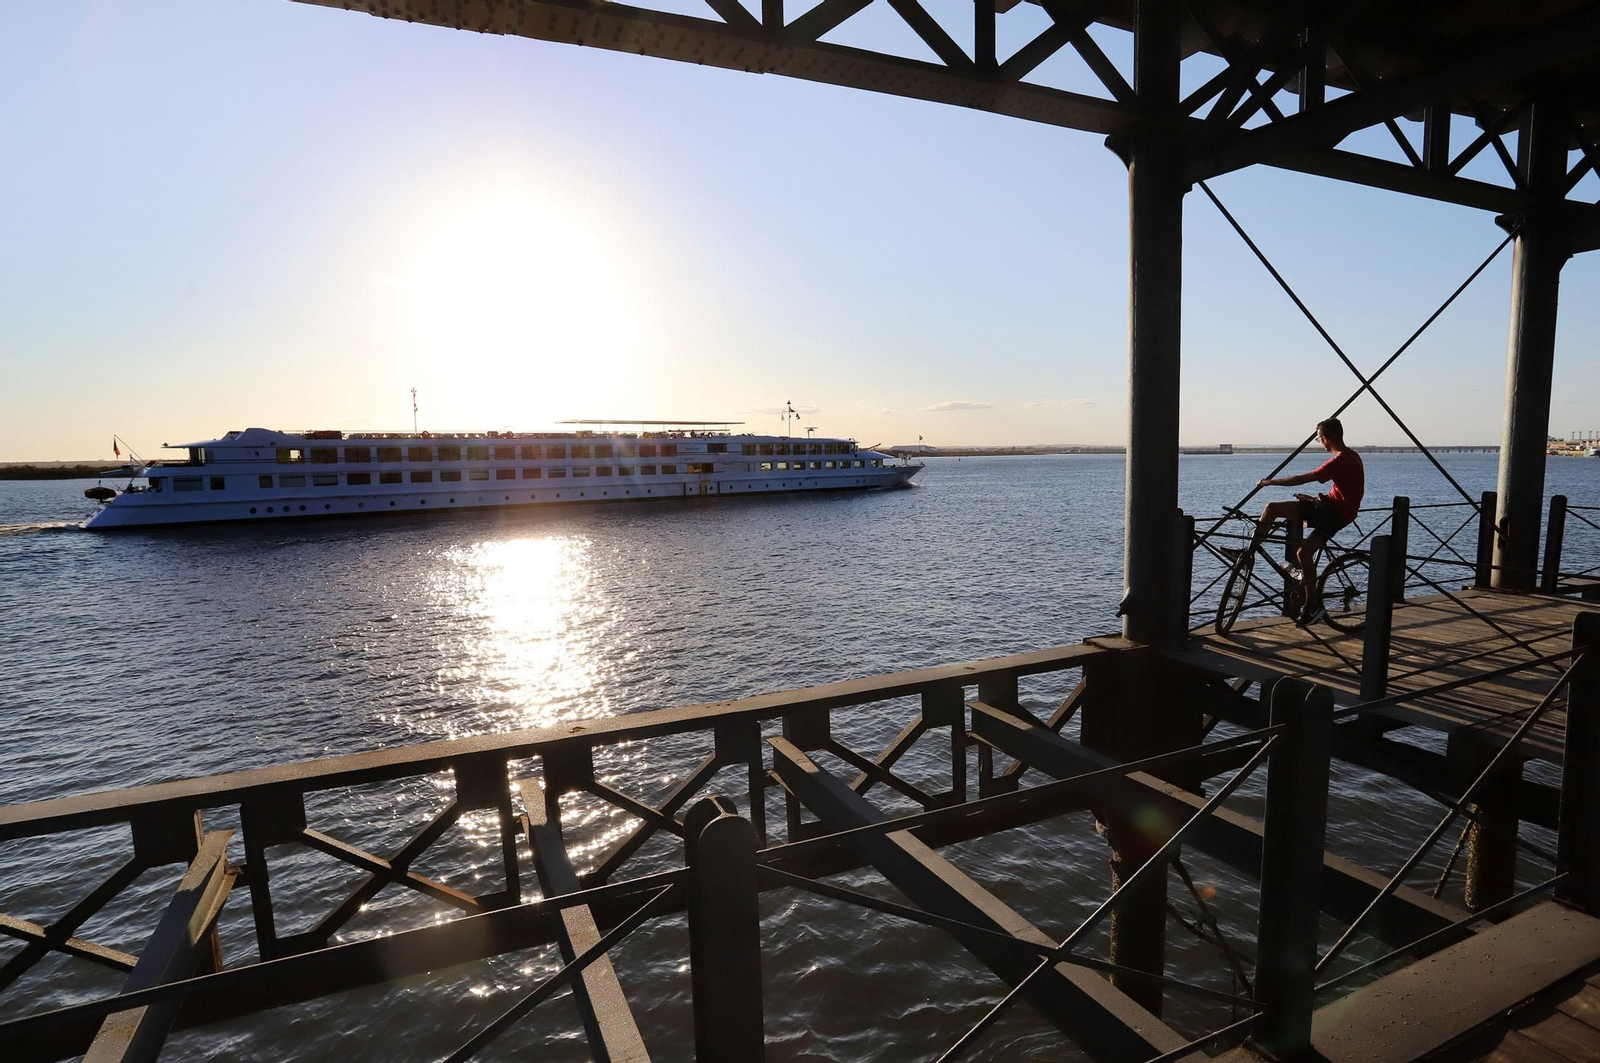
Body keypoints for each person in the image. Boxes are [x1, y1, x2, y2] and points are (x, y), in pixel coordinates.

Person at [1252, 417, 1364, 625]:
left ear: (1326, 438)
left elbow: (1303, 478)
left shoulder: (1340, 460)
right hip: (1336, 511)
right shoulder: (1352, 456)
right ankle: (1312, 605)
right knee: (1303, 553)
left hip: (1333, 513)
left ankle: (1248, 554)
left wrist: (1270, 482)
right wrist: (1314, 500)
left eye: (1319, 439)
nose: (1320, 442)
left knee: (1272, 508)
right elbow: (1344, 493)